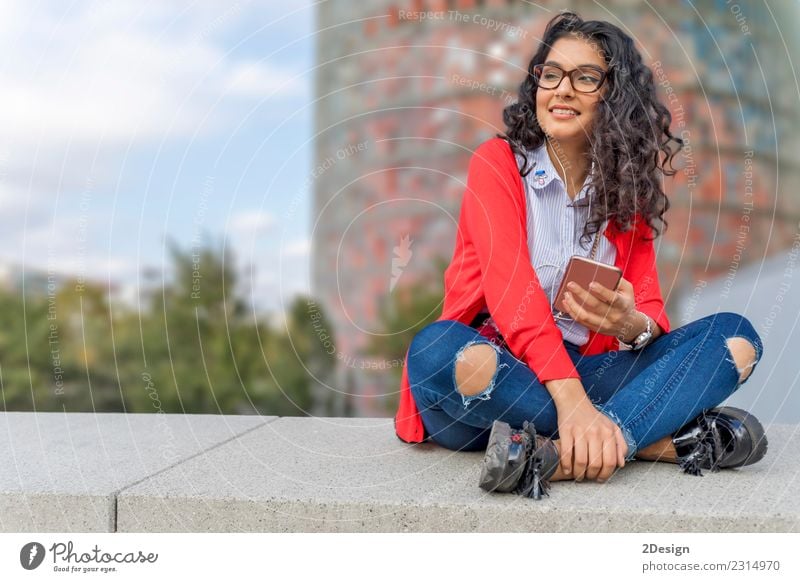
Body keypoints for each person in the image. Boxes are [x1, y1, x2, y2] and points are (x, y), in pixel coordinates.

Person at [395, 11, 767, 497]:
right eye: (551, 75)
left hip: (584, 374)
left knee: (737, 339)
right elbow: (513, 293)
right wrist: (572, 405)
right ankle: (652, 441)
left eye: (585, 78)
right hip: (490, 380)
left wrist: (629, 325)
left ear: (615, 97)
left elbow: (651, 313)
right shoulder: (498, 164)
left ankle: (550, 454)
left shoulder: (626, 195)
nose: (562, 89)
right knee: (434, 351)